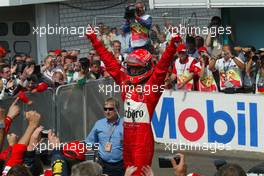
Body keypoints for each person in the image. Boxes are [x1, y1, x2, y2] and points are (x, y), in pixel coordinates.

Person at [86, 29, 180, 175]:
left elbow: (161, 68)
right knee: (127, 172)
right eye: (130, 68)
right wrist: (94, 39)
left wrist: (173, 44)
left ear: (147, 67)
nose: (133, 71)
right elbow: (110, 63)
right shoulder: (125, 83)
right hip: (127, 136)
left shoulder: (152, 88)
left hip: (142, 140)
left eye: (137, 69)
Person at [85, 97, 124, 176]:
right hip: (103, 165)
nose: (107, 112)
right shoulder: (99, 124)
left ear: (117, 110)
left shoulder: (124, 123)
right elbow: (89, 142)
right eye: (105, 109)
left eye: (110, 109)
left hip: (121, 165)